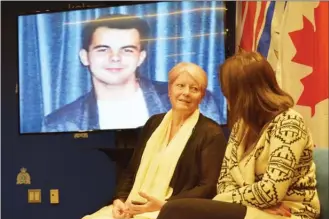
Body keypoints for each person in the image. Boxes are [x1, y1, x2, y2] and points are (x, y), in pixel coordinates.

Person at [154, 51, 321, 219]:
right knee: (175, 211)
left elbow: (271, 192)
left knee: (174, 210)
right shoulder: (241, 126)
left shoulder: (289, 123)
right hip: (253, 211)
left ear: (243, 93)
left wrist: (231, 200)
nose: (226, 99)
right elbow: (225, 183)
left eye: (228, 92)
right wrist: (250, 202)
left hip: (290, 215)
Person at [76, 62, 227, 219]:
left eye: (194, 89)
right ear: (170, 90)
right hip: (133, 207)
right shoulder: (154, 123)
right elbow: (132, 169)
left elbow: (209, 186)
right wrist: (120, 198)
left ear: (202, 95)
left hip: (174, 211)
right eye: (180, 85)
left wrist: (166, 204)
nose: (186, 93)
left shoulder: (211, 133)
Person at [41, 14, 221, 132]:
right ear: (84, 57)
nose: (115, 58)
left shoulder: (198, 102)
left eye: (127, 50)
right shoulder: (59, 123)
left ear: (141, 57)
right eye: (103, 49)